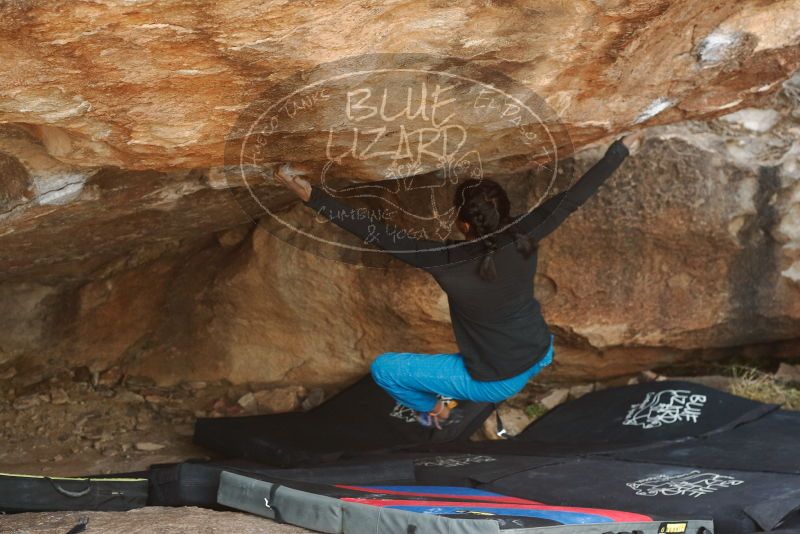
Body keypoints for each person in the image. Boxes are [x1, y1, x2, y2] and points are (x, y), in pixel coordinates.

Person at [274, 132, 643, 429]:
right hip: (539, 350)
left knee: (385, 369)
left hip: (497, 378)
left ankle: (435, 411)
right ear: (503, 212)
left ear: (463, 224)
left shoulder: (445, 260)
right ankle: (452, 398)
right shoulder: (526, 233)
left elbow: (379, 234)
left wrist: (312, 195)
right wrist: (620, 150)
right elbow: (572, 198)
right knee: (474, 353)